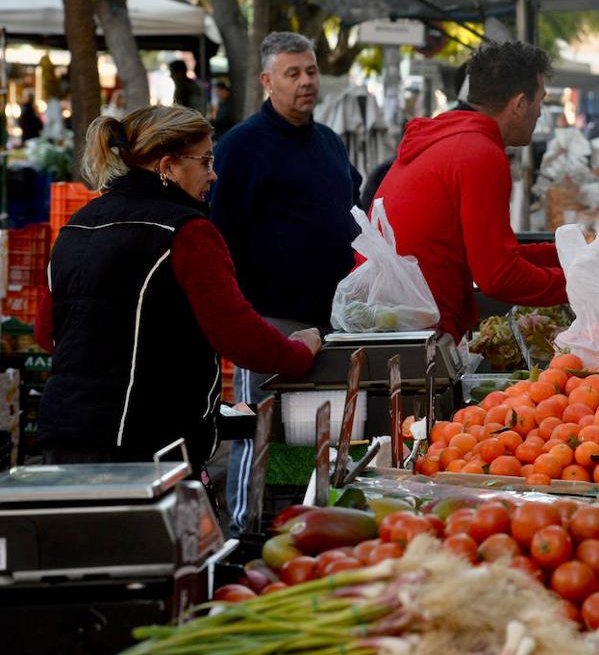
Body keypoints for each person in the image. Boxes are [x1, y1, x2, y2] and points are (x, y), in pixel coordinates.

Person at [33, 106, 320, 475]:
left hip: (64, 437)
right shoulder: (188, 232)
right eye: (205, 161)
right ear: (168, 166)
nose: (214, 174)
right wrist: (300, 351)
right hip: (149, 448)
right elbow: (239, 336)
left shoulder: (79, 224)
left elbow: (47, 335)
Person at [211, 31, 361, 536]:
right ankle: (244, 527)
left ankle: (298, 522)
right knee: (262, 428)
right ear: (266, 81)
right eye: (293, 73)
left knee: (310, 432)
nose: (305, 82)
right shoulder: (241, 147)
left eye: (311, 71)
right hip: (270, 320)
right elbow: (221, 233)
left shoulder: (329, 142)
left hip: (329, 323)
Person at [374, 41, 568, 341]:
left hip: (401, 323)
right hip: (416, 335)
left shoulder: (451, 136)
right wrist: (580, 284)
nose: (540, 112)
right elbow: (498, 276)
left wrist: (569, 254)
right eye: (539, 100)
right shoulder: (480, 153)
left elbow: (494, 252)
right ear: (518, 104)